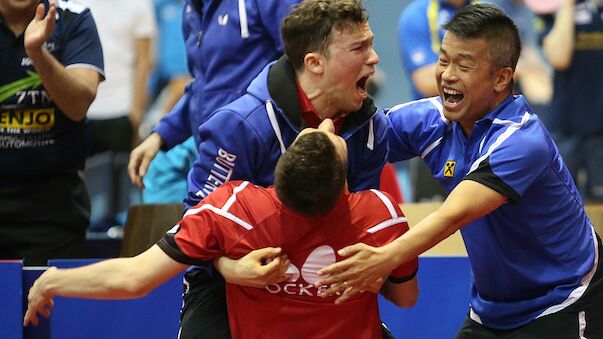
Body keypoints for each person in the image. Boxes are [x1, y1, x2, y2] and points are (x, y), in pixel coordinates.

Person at [316, 4, 603, 338]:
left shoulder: (523, 141)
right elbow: (355, 139)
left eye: (463, 65)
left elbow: (455, 214)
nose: (447, 75)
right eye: (443, 60)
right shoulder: (430, 120)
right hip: (492, 308)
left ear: (501, 78)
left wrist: (383, 258)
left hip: (564, 302)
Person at [24, 120, 419, 339]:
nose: (330, 122)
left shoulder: (234, 208)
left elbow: (134, 278)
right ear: (342, 185)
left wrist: (55, 280)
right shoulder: (379, 215)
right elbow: (406, 299)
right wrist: (375, 273)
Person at [0, 0, 104, 265]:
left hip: (53, 212)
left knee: (48, 305)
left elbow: (78, 105)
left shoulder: (73, 19)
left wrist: (38, 53)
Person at [73, 0, 156, 230]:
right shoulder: (75, 4)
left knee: (122, 200)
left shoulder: (139, 5)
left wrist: (136, 112)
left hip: (122, 111)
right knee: (83, 194)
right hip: (83, 110)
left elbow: (144, 60)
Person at [535, 0, 603, 202]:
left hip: (600, 131)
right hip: (565, 126)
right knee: (560, 202)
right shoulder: (553, 10)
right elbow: (559, 57)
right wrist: (567, 6)